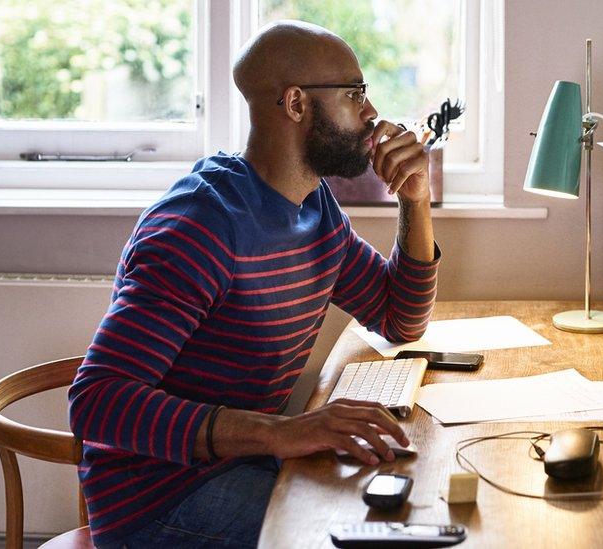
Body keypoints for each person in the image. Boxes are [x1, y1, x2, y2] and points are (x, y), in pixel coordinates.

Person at [68, 20, 440, 548]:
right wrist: (281, 432)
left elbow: (399, 319)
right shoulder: (200, 228)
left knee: (405, 507)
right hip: (159, 501)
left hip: (244, 466)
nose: (371, 112)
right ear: (295, 105)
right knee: (363, 536)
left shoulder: (314, 207)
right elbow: (96, 402)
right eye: (354, 93)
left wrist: (415, 197)